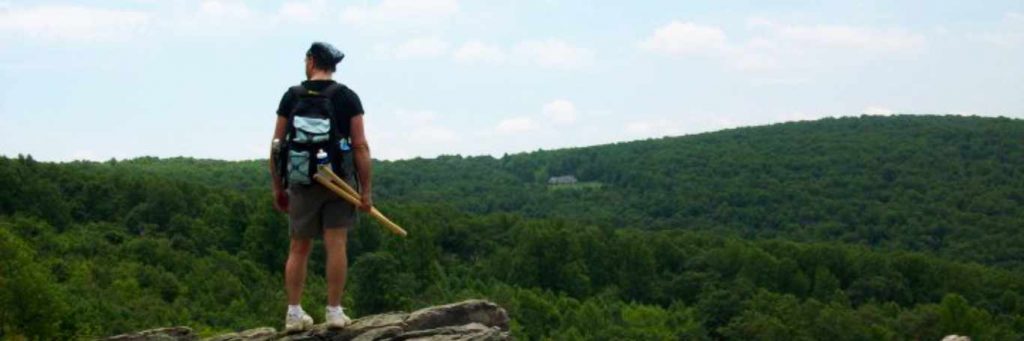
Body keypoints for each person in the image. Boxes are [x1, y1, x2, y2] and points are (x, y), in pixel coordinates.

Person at [268, 42, 373, 332]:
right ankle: (334, 312)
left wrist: (278, 186)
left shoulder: (292, 96)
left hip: (303, 180)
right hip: (339, 181)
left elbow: (276, 146)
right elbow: (361, 146)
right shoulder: (347, 97)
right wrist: (365, 191)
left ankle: (293, 315)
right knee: (336, 244)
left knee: (298, 248)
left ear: (312, 61)